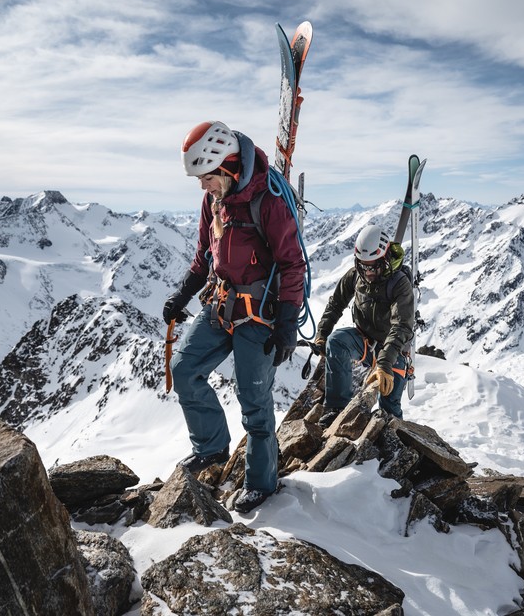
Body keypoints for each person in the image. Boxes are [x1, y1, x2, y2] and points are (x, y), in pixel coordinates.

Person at [163, 121, 306, 513]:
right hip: (219, 303)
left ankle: (262, 483)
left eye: (206, 178)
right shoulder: (214, 200)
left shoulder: (268, 201)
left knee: (254, 402)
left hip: (259, 315)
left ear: (226, 167)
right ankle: (210, 447)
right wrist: (182, 294)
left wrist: (287, 323)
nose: (201, 186)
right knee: (184, 369)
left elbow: (292, 264)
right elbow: (203, 256)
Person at [314, 224, 415, 427]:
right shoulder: (356, 276)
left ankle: (394, 443)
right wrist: (322, 334)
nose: (368, 271)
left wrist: (384, 364)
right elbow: (336, 303)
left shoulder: (399, 283)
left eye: (374, 266)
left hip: (393, 351)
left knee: (390, 406)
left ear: (385, 258)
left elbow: (402, 326)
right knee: (336, 342)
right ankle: (335, 409)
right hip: (364, 341)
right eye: (364, 265)